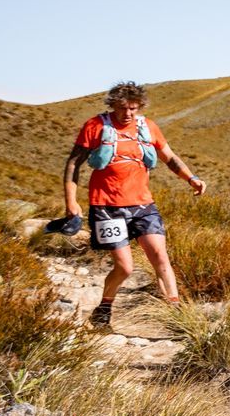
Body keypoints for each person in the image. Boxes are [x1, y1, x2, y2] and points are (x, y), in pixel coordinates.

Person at [59, 82, 206, 327]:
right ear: (113, 105)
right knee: (125, 268)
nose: (127, 114)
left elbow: (169, 157)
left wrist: (191, 178)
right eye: (122, 108)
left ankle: (178, 316)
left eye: (133, 109)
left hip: (143, 205)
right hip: (106, 206)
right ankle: (105, 307)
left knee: (160, 256)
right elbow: (73, 163)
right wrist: (71, 202)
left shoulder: (147, 127)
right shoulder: (95, 126)